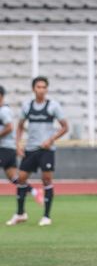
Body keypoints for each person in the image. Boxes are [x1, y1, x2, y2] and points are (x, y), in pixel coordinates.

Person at [6, 77, 69, 227]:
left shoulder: (53, 106)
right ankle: (20, 213)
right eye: (38, 87)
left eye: (44, 87)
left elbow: (65, 127)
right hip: (31, 148)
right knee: (21, 178)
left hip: (46, 149)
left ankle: (46, 216)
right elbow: (20, 125)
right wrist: (18, 143)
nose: (41, 90)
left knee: (46, 179)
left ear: (47, 89)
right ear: (33, 89)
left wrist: (51, 139)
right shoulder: (27, 106)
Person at [0, 86, 43, 207]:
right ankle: (35, 192)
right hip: (7, 148)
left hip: (5, 148)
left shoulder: (3, 111)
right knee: (14, 178)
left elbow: (9, 127)